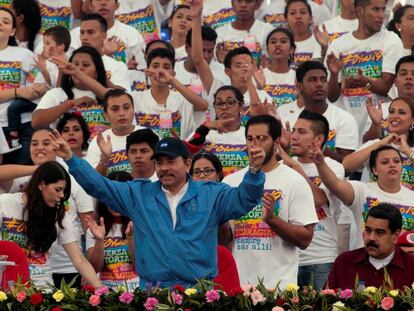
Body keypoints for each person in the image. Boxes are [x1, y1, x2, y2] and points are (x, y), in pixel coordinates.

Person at [49, 128, 267, 289]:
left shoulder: (212, 193)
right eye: (160, 162)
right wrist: (70, 158)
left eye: (171, 161)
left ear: (188, 164)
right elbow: (99, 186)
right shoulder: (139, 193)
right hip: (153, 293)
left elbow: (244, 200)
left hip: (199, 292)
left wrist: (255, 172)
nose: (164, 168)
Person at [223, 115, 318, 289]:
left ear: (276, 143)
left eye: (262, 139)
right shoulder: (230, 182)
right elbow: (223, 241)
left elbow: (305, 239)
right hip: (239, 288)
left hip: (279, 289)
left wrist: (273, 220)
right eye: (250, 138)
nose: (255, 144)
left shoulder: (294, 181)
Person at [0, 161, 101, 288]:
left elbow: (79, 260)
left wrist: (102, 291)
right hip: (7, 287)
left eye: (63, 191)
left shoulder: (60, 216)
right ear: (41, 184)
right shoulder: (5, 202)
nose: (61, 196)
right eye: (58, 189)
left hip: (43, 290)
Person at [280, 110, 344, 290]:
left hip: (321, 259)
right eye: (293, 130)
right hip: (287, 257)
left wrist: (295, 168)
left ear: (319, 139)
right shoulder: (284, 164)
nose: (294, 136)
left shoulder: (333, 167)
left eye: (301, 132)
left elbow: (319, 199)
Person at [326, 0, 404, 141]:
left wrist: (365, 82)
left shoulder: (391, 40)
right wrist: (333, 74)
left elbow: (385, 87)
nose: (381, 15)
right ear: (360, 11)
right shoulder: (338, 45)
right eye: (375, 9)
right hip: (346, 125)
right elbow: (331, 96)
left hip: (380, 122)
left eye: (382, 10)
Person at [310, 144, 414, 248]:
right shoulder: (362, 190)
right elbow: (335, 184)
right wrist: (321, 163)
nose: (392, 165)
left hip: (403, 262)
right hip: (365, 261)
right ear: (374, 170)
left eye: (396, 161)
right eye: (385, 162)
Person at [279, 61, 359, 162]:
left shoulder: (344, 119)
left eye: (323, 80)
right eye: (313, 80)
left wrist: (319, 146)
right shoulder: (287, 118)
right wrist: (287, 148)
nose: (319, 84)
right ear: (299, 86)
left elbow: (347, 165)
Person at [327, 203, 414, 289]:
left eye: (379, 233)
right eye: (368, 230)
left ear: (395, 236)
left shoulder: (411, 266)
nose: (371, 238)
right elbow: (325, 299)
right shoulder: (344, 262)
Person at [0, 7, 48, 164]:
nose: (0, 23)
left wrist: (38, 88)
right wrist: (18, 92)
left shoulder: (24, 54)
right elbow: (24, 92)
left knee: (21, 179)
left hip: (23, 125)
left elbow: (38, 85)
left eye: (5, 21)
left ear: (13, 30)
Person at [132, 48, 208, 139]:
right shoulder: (134, 99)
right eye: (155, 66)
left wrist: (172, 81)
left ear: (173, 74)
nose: (161, 71)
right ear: (147, 71)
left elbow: (203, 106)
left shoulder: (183, 99)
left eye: (166, 67)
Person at [32, 46, 110, 136]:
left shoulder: (109, 94)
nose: (79, 68)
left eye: (85, 65)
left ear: (97, 71)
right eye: (75, 65)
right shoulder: (58, 94)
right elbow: (36, 122)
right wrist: (70, 104)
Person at [342, 97, 414, 190]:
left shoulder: (411, 151)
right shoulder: (376, 144)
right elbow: (346, 166)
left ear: (412, 120)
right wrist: (380, 144)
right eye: (391, 112)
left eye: (401, 112)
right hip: (375, 203)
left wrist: (408, 152)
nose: (394, 116)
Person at [86, 170, 137, 291]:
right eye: (110, 197)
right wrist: (99, 240)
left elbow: (142, 266)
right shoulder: (95, 228)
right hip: (106, 296)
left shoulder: (142, 224)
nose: (115, 203)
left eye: (120, 197)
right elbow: (94, 268)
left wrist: (131, 238)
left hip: (137, 294)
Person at [188, 85, 249, 176]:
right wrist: (204, 129)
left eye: (230, 102)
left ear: (240, 106)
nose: (224, 107)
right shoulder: (204, 134)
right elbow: (186, 157)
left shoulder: (249, 134)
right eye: (219, 103)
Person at [84, 89, 144, 175]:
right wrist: (105, 158)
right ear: (106, 115)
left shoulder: (149, 134)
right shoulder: (99, 141)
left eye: (126, 107)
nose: (121, 113)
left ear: (134, 111)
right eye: (115, 109)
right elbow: (92, 180)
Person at [70, 0, 146, 68]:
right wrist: (104, 54)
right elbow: (71, 73)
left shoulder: (131, 34)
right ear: (90, 5)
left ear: (117, 5)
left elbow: (142, 70)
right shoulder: (75, 36)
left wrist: (128, 70)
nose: (103, 3)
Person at [215, 0, 274, 66]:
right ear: (232, 4)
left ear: (257, 5)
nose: (243, 5)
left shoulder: (268, 31)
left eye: (248, 1)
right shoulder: (219, 33)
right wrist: (218, 59)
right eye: (239, 1)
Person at [78, 13, 130, 89]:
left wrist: (97, 74)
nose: (84, 37)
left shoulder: (118, 66)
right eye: (82, 32)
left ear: (104, 36)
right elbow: (59, 95)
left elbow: (121, 97)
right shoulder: (72, 64)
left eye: (90, 32)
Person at [261, 28, 297, 108]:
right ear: (267, 49)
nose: (278, 45)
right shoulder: (258, 75)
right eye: (273, 42)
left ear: (291, 49)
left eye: (283, 41)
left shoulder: (298, 77)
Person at [285, 0, 322, 69]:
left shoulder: (319, 41)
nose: (298, 16)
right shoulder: (281, 44)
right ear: (286, 20)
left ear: (311, 18)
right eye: (293, 13)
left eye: (303, 12)